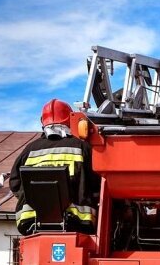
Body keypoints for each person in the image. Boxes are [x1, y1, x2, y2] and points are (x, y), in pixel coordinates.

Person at [9, 99, 100, 235]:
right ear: (69, 119)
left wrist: (33, 198)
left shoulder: (29, 150)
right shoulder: (82, 147)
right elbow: (98, 183)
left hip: (30, 221)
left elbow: (15, 183)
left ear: (43, 122)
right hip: (78, 221)